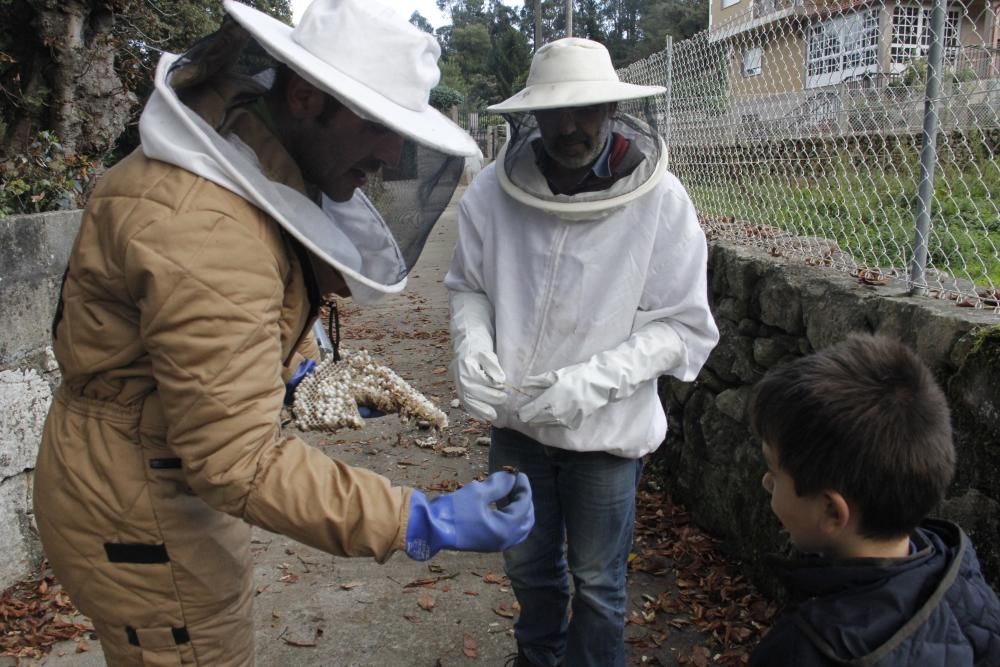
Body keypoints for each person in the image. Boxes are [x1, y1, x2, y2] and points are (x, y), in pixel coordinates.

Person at [33, 1, 534, 665]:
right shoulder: (206, 227)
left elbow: (197, 329)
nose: (391, 154)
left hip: (135, 475)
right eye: (377, 125)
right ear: (303, 96)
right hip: (141, 513)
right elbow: (236, 459)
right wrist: (419, 517)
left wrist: (298, 368)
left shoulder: (233, 159)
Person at [445, 37, 720, 667]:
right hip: (518, 426)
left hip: (606, 436)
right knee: (528, 569)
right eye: (554, 112)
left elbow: (683, 327)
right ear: (530, 116)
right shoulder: (492, 192)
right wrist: (472, 342)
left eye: (586, 109)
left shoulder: (661, 201)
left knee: (598, 585)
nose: (569, 126)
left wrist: (594, 381)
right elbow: (469, 287)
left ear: (613, 109)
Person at [748, 334, 1000, 666]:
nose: (767, 482)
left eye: (774, 472)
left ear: (831, 511)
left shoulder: (805, 650)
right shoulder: (969, 587)